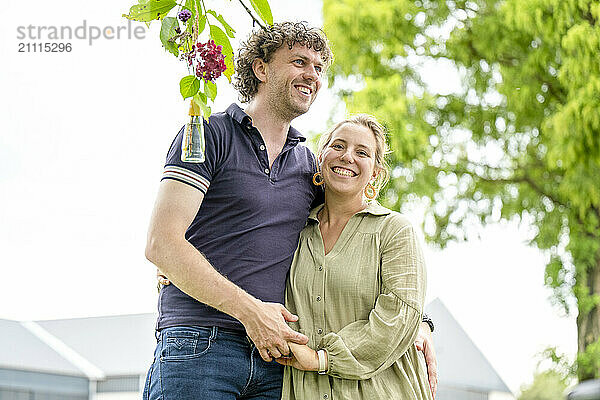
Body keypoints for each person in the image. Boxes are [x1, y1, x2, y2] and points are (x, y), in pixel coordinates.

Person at [145, 21, 437, 400]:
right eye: (299, 61)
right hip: (200, 345)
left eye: (319, 67)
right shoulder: (206, 135)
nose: (312, 75)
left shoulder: (307, 169)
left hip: (277, 363)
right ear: (261, 68)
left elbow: (357, 240)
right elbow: (161, 243)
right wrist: (251, 312)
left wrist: (420, 321)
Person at [276, 115, 433, 399]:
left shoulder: (394, 231)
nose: (347, 157)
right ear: (321, 158)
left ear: (375, 172)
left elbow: (398, 317)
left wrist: (321, 358)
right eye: (338, 146)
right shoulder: (295, 233)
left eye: (362, 152)